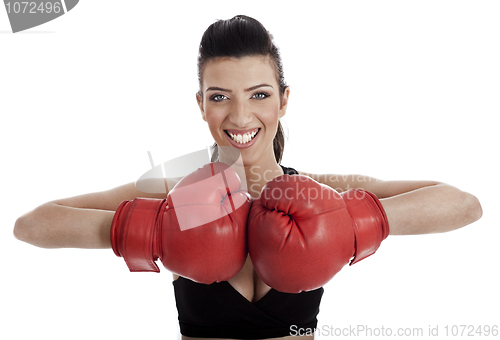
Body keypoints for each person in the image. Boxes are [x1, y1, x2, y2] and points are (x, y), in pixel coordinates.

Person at [13, 15, 483, 340]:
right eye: (219, 97)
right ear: (200, 104)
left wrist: (352, 225)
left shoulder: (325, 189)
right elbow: (31, 225)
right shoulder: (174, 190)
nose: (240, 116)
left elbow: (465, 204)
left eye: (259, 94)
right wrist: (157, 230)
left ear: (283, 100)